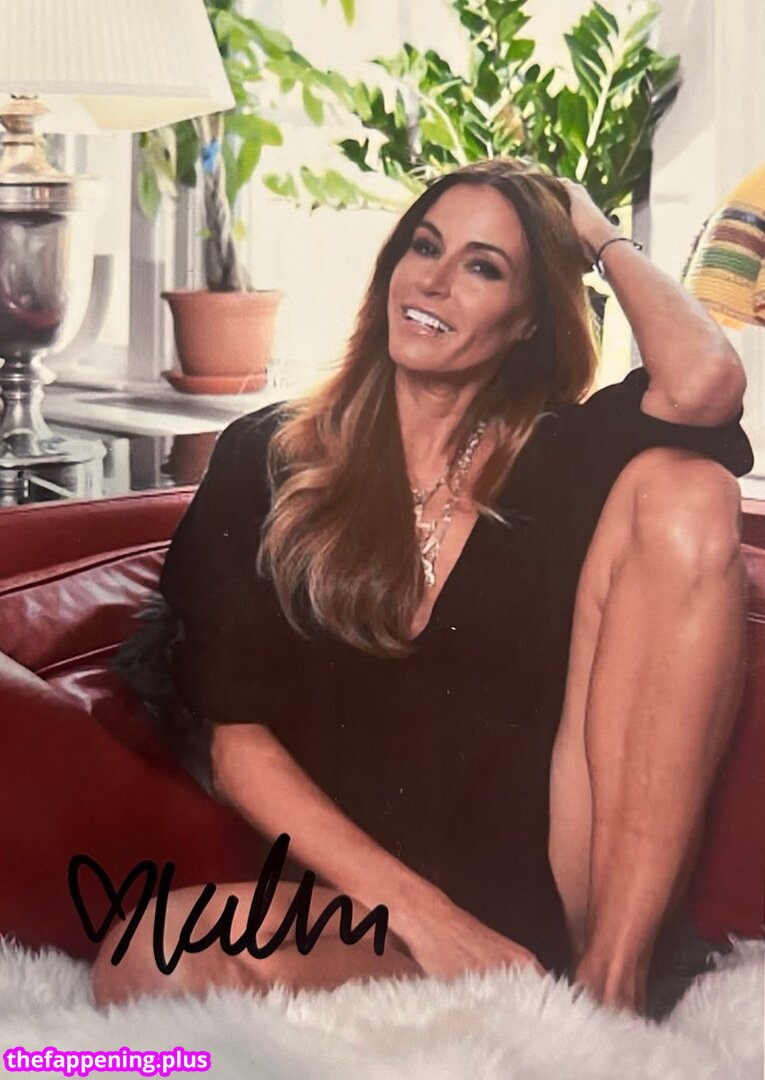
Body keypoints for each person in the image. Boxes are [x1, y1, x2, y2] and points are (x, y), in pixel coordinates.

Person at [92, 158, 752, 1016]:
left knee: (688, 487)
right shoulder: (270, 456)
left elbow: (704, 381)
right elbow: (230, 738)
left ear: (529, 320)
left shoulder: (561, 459)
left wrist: (594, 233)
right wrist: (430, 922)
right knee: (145, 959)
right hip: (369, 907)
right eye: (425, 246)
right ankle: (487, 1029)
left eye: (484, 267)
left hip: (554, 892)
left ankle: (610, 993)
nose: (435, 282)